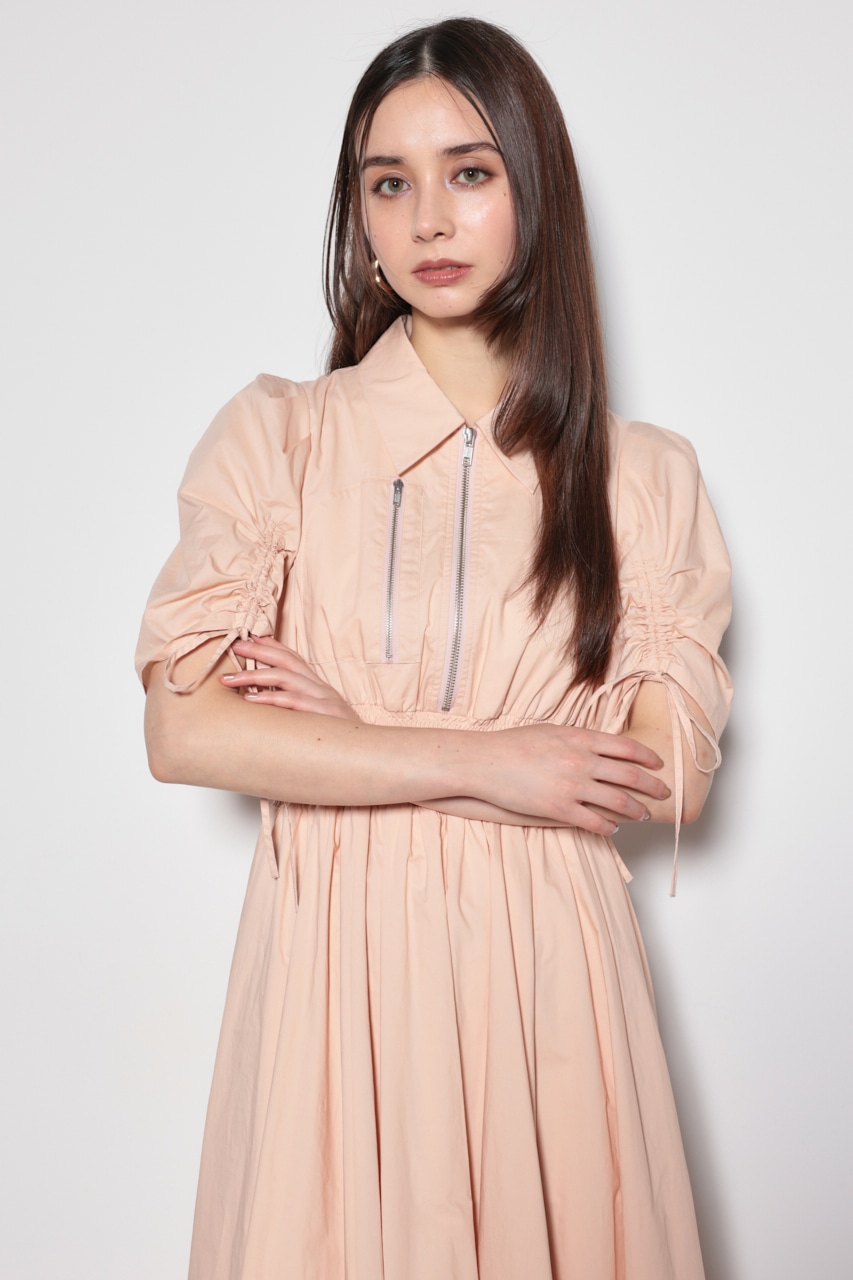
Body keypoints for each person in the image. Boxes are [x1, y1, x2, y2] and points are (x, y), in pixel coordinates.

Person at [136, 17, 732, 1280]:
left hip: (550, 987)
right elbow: (184, 731)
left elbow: (666, 774)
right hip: (332, 979)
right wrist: (502, 762)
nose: (428, 220)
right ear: (357, 215)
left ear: (533, 189)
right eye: (388, 183)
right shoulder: (278, 437)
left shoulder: (639, 474)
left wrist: (346, 739)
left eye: (469, 172)